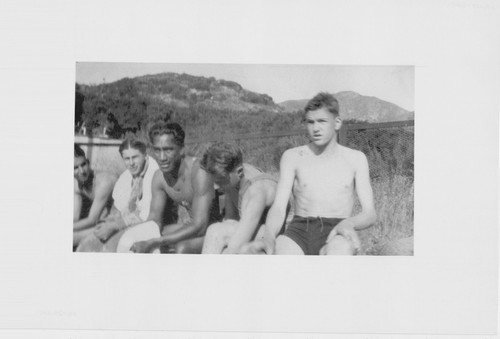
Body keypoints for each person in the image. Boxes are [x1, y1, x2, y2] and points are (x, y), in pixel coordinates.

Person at [246, 92, 376, 255]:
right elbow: (279, 207)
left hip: (337, 230)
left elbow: (370, 213)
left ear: (337, 123)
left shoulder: (355, 159)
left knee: (339, 253)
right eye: (310, 122)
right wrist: (269, 236)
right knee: (282, 259)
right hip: (299, 230)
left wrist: (349, 223)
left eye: (322, 121)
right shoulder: (292, 157)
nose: (315, 128)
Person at [116, 121, 221, 254]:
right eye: (157, 150)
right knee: (130, 240)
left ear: (182, 149)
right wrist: (133, 235)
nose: (161, 157)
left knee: (181, 248)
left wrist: (155, 241)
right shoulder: (159, 178)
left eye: (168, 150)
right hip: (192, 226)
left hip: (215, 229)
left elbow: (200, 226)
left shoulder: (199, 171)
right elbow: (154, 222)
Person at [76, 137, 159, 252]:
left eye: (135, 157)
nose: (131, 163)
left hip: (145, 226)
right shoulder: (126, 176)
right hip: (121, 223)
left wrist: (114, 226)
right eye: (126, 158)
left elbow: (148, 214)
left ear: (145, 156)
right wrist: (108, 225)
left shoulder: (154, 174)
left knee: (108, 248)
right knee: (87, 245)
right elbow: (118, 209)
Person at [201, 143, 286, 254]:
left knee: (215, 232)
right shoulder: (232, 177)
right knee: (217, 232)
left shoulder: (256, 192)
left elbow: (236, 246)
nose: (216, 186)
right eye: (214, 181)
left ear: (239, 171)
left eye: (220, 181)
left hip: (281, 236)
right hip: (258, 232)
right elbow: (230, 219)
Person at [73, 144, 116, 250]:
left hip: (119, 222)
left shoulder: (103, 182)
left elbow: (92, 220)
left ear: (88, 162)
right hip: (105, 220)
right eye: (75, 168)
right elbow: (74, 218)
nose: (82, 171)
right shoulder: (76, 184)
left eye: (83, 165)